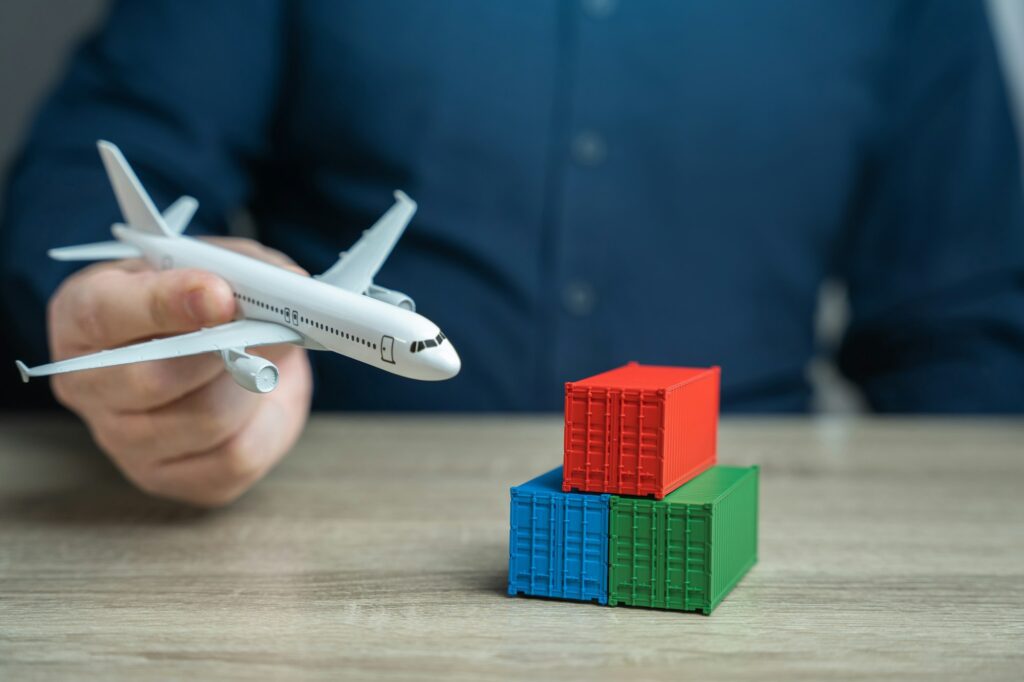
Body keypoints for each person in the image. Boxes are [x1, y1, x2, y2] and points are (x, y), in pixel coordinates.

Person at [2, 1, 1023, 506]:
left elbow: (967, 329)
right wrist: (103, 315)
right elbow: (90, 167)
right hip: (310, 528)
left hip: (746, 504)